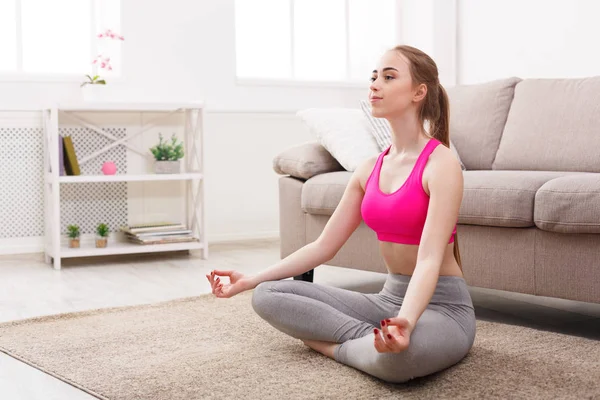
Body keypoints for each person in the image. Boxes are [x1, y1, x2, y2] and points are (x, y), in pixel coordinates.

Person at [205, 45, 474, 383]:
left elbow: (430, 259)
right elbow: (322, 248)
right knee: (267, 295)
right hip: (387, 299)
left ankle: (335, 347)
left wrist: (406, 321)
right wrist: (251, 278)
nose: (375, 84)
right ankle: (372, 340)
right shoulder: (368, 169)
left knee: (397, 363)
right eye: (374, 76)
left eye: (389, 77)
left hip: (442, 309)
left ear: (419, 92)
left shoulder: (441, 163)